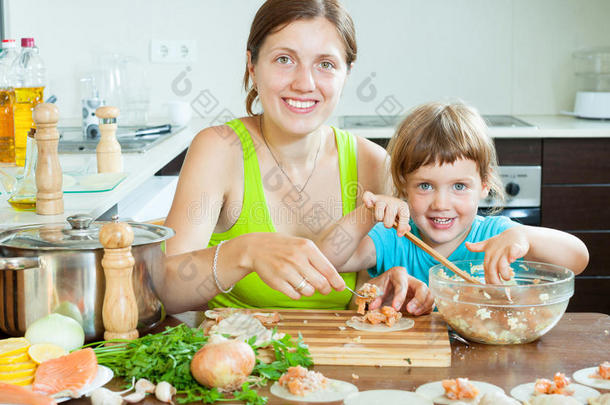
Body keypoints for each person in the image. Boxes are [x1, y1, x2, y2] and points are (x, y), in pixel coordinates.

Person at [158, 0, 413, 314]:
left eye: (326, 64)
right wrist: (245, 252)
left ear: (347, 73)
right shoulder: (219, 149)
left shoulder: (374, 163)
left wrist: (381, 289)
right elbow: (165, 290)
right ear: (252, 65)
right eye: (284, 59)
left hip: (339, 355)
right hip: (235, 354)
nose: (304, 83)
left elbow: (355, 297)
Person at [315, 101, 589, 311]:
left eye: (459, 186)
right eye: (425, 186)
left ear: (484, 185)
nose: (441, 204)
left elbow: (578, 259)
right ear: (403, 185)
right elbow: (327, 262)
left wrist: (525, 237)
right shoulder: (394, 237)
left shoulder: (496, 235)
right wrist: (367, 214)